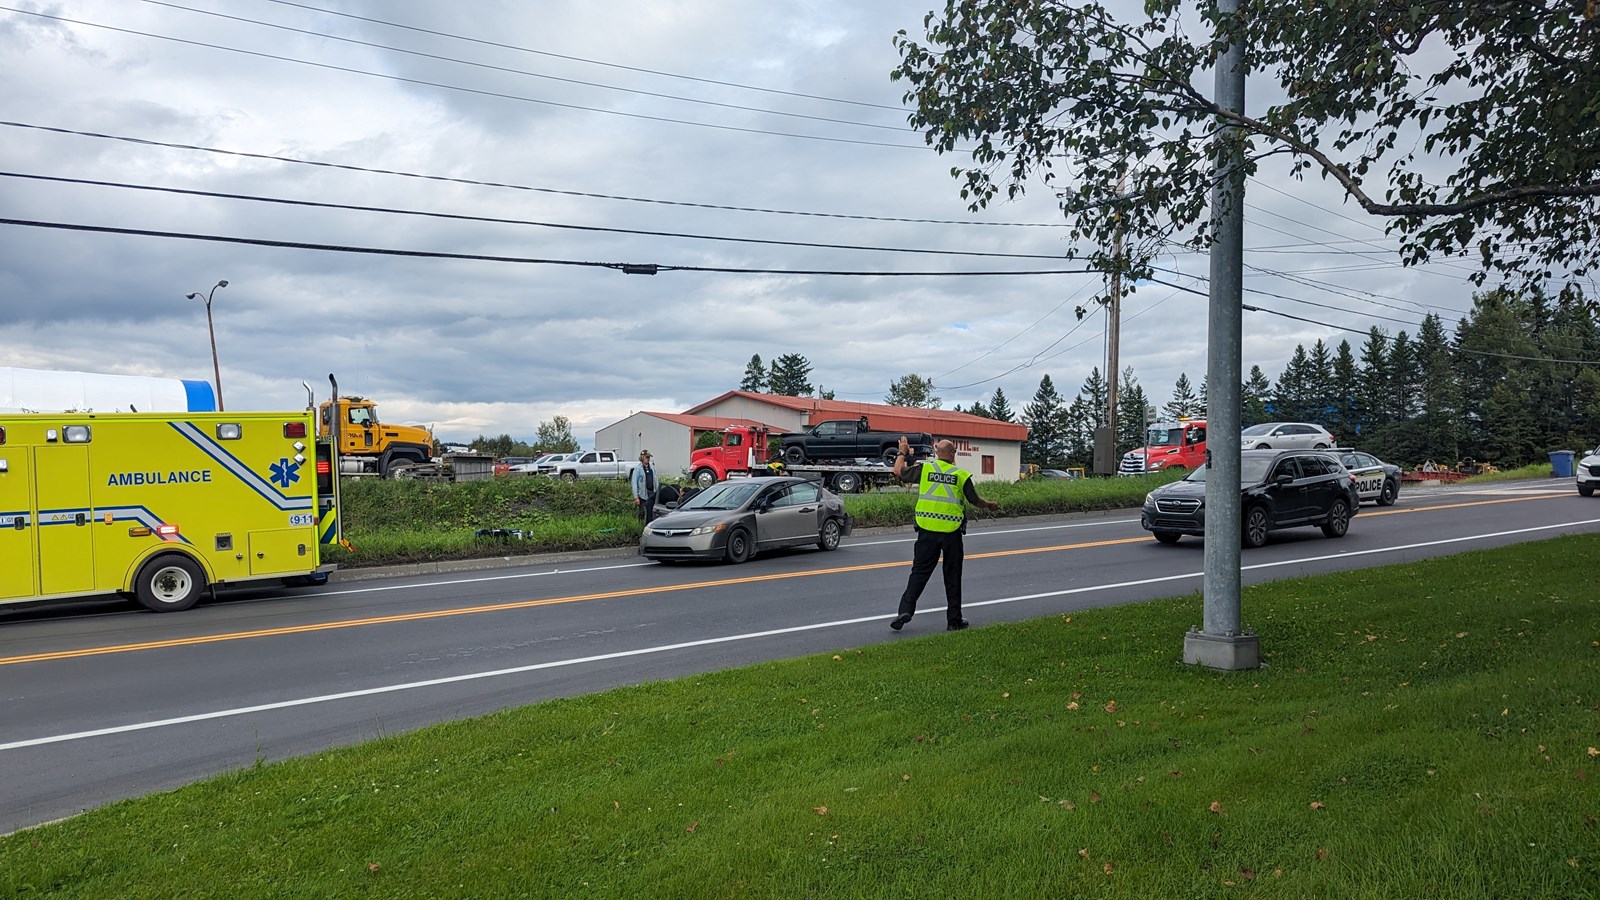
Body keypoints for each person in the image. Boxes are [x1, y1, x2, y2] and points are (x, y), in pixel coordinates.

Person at [888, 434, 999, 632]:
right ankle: (954, 620)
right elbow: (974, 500)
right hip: (951, 532)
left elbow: (898, 471)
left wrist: (902, 452)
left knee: (919, 573)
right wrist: (989, 505)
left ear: (936, 453)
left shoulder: (925, 469)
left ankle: (905, 611)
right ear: (953, 454)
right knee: (953, 576)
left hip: (926, 530)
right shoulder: (960, 475)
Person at [631, 450, 659, 524]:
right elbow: (634, 483)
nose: (648, 459)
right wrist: (636, 497)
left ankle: (649, 524)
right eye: (647, 457)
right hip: (642, 494)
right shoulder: (637, 469)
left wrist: (658, 491)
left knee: (651, 511)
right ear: (642, 457)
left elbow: (656, 480)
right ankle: (640, 526)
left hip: (652, 493)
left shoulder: (652, 468)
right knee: (642, 512)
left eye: (649, 457)